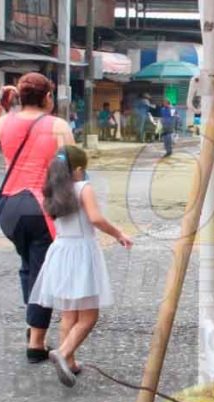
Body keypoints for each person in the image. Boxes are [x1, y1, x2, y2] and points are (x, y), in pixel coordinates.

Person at [0, 73, 75, 363]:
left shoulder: (7, 121)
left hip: (8, 207)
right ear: (47, 97)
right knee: (40, 273)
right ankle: (36, 342)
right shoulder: (57, 125)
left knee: (29, 267)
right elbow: (72, 166)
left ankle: (33, 327)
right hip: (39, 207)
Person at [32, 145, 133, 387]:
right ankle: (63, 352)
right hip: (82, 252)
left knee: (69, 312)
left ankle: (72, 362)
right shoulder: (83, 188)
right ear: (78, 170)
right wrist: (118, 233)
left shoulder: (53, 190)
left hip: (60, 250)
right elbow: (95, 218)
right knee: (89, 316)